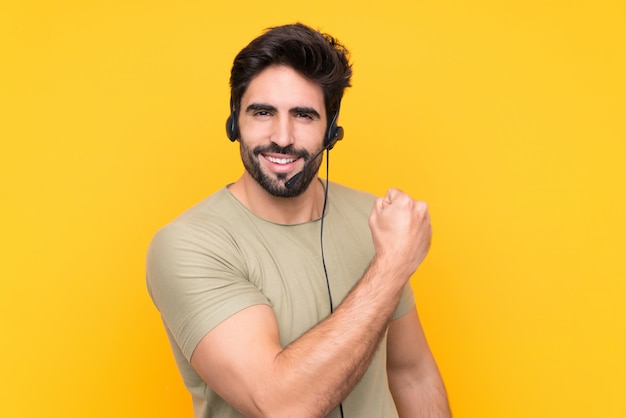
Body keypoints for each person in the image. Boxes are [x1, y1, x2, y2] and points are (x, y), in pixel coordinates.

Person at [147, 23, 451, 418]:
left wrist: (390, 256)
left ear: (331, 130)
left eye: (304, 115)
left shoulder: (373, 220)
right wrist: (392, 264)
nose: (283, 136)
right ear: (235, 121)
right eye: (262, 112)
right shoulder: (188, 245)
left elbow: (411, 373)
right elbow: (283, 407)